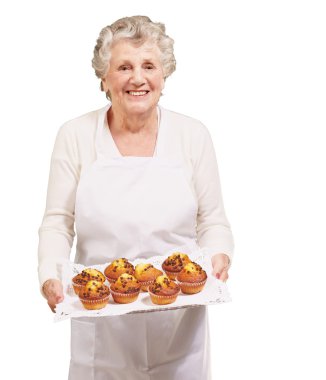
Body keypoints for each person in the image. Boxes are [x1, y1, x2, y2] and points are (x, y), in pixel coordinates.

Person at [38, 15, 234, 380]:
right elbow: (57, 222)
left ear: (164, 75)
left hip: (179, 326)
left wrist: (219, 256)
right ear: (103, 77)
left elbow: (213, 220)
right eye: (124, 67)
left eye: (149, 66)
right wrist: (50, 274)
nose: (138, 79)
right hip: (100, 328)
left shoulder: (193, 135)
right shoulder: (75, 135)